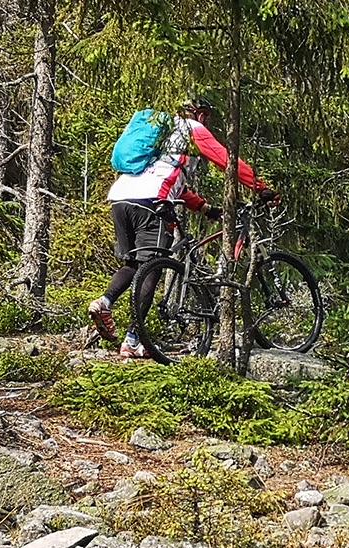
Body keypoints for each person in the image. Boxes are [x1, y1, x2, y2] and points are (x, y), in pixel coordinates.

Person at [89, 98, 280, 359]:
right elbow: (228, 161)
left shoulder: (162, 134)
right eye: (207, 117)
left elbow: (173, 181)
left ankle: (104, 302)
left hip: (121, 198)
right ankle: (133, 340)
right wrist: (260, 187)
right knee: (152, 268)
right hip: (151, 200)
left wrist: (204, 208)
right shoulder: (192, 129)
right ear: (200, 115)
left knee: (134, 264)